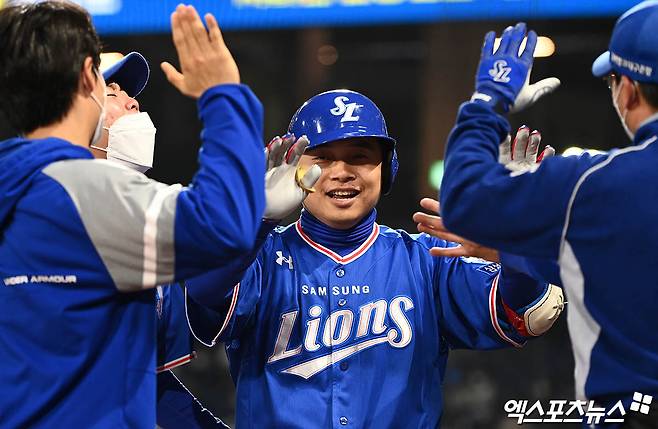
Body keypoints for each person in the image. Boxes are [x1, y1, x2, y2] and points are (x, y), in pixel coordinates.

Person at [181, 89, 564, 428]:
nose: (342, 173)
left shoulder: (427, 259)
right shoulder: (260, 258)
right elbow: (203, 294)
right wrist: (256, 222)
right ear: (293, 167)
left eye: (360, 157)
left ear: (387, 168)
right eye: (324, 158)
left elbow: (529, 310)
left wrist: (519, 235)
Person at [0, 2, 264, 428]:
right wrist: (224, 97)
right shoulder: (91, 191)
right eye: (115, 91)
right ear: (87, 77)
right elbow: (222, 227)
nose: (133, 102)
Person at [438, 2, 658, 427]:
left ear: (627, 89)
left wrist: (488, 102)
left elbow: (464, 199)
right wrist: (516, 253)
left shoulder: (593, 183)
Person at [100, 51, 227, 428]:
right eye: (111, 92)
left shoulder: (149, 220)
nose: (133, 101)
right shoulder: (35, 209)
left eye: (129, 93)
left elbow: (146, 385)